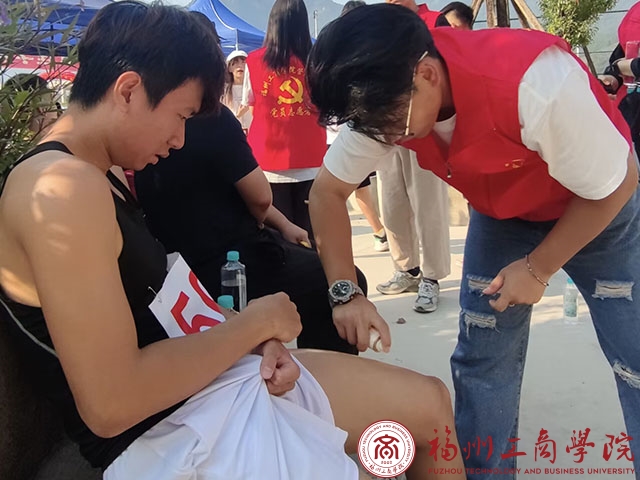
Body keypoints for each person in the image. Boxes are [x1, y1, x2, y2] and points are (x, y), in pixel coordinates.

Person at [0, 3, 466, 478]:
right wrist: (249, 328)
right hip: (169, 433)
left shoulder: (96, 172)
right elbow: (111, 403)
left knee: (429, 405)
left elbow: (163, 302)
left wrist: (253, 340)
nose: (179, 139)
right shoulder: (61, 190)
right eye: (181, 116)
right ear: (128, 91)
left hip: (202, 391)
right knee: (414, 426)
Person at [306, 4, 640, 478]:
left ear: (426, 74)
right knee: (482, 357)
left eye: (391, 125)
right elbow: (327, 194)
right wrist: (346, 293)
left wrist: (538, 268)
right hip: (504, 210)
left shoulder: (533, 83)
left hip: (597, 207)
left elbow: (617, 182)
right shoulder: (384, 102)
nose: (386, 139)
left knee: (635, 358)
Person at [134, 105, 366, 355]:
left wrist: (285, 225)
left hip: (173, 268)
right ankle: (327, 375)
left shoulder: (143, 124)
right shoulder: (212, 116)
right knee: (336, 283)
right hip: (229, 262)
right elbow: (260, 198)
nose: (178, 139)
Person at [373, 0, 453, 313]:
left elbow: (449, 72)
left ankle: (431, 277)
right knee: (391, 202)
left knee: (428, 204)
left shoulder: (435, 22)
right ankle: (406, 268)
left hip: (426, 129)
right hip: (388, 128)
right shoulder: (378, 26)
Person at [242, 0, 325, 241]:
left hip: (268, 162)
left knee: (277, 237)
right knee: (311, 235)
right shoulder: (317, 60)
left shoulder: (254, 61)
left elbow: (251, 104)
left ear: (272, 24)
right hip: (311, 158)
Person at [222, 49, 252, 132]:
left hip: (252, 132)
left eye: (243, 62)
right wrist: (238, 115)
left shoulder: (254, 89)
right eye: (235, 63)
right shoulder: (223, 91)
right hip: (231, 132)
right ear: (229, 68)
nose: (240, 66)